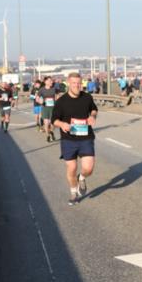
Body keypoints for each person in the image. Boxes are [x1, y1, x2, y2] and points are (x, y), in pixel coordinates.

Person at [52, 72, 98, 205]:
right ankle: (73, 194)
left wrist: (93, 116)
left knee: (88, 168)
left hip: (86, 138)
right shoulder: (61, 101)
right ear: (68, 84)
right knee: (71, 168)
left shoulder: (87, 97)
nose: (77, 86)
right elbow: (54, 120)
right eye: (74, 83)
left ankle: (82, 177)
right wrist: (62, 124)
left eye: (79, 83)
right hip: (68, 140)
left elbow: (94, 109)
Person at [37, 77, 59, 142]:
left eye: (51, 81)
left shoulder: (54, 89)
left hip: (53, 108)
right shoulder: (42, 90)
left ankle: (51, 131)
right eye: (49, 81)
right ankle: (48, 135)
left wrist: (57, 99)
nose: (51, 82)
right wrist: (39, 101)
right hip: (45, 108)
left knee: (53, 123)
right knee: (46, 123)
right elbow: (37, 98)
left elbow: (58, 95)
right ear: (45, 82)